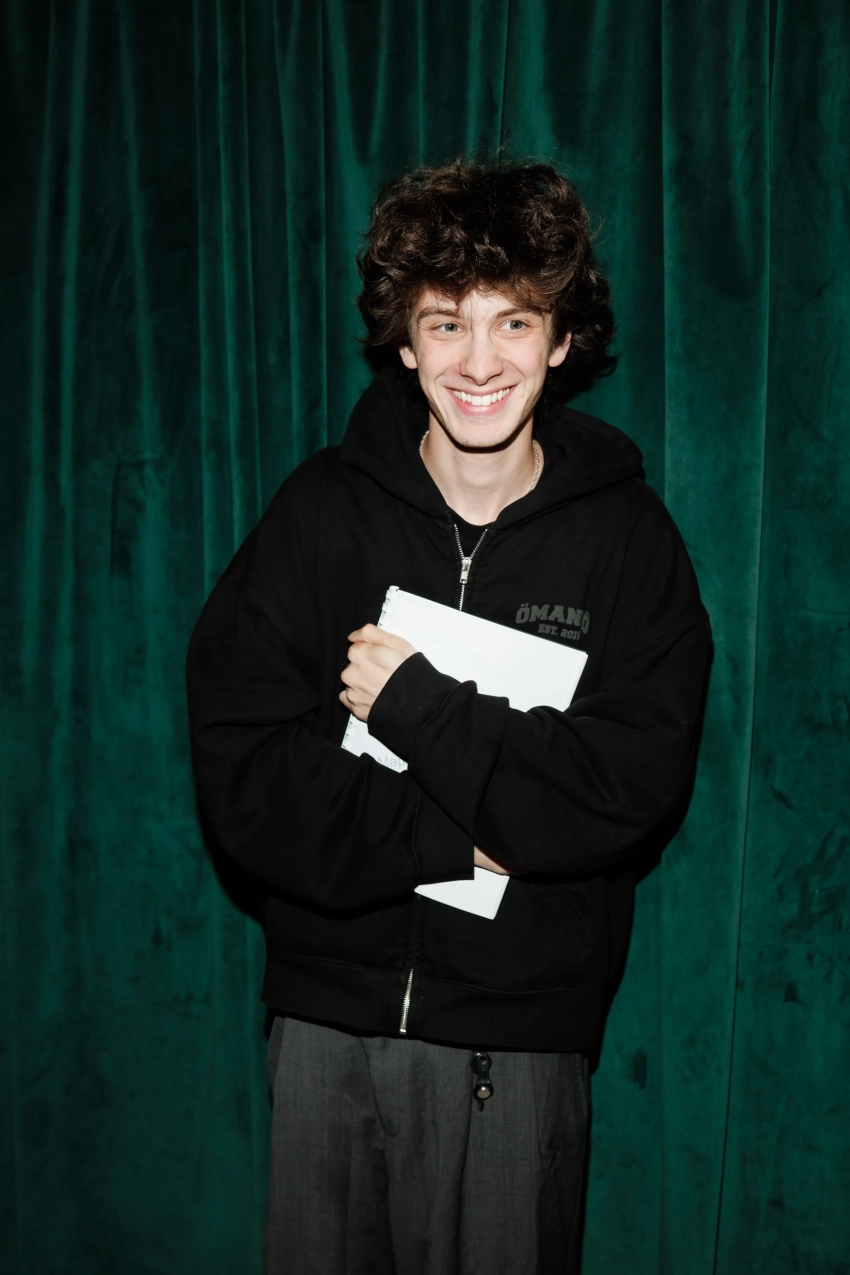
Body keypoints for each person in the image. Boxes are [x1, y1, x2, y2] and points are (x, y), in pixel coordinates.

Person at [186, 159, 711, 1275]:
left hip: (520, 1049)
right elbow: (248, 774)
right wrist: (451, 835)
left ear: (561, 340)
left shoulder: (630, 543)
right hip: (325, 1034)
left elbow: (622, 790)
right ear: (405, 344)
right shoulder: (319, 513)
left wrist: (415, 701)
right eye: (446, 324)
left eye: (513, 321)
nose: (479, 362)